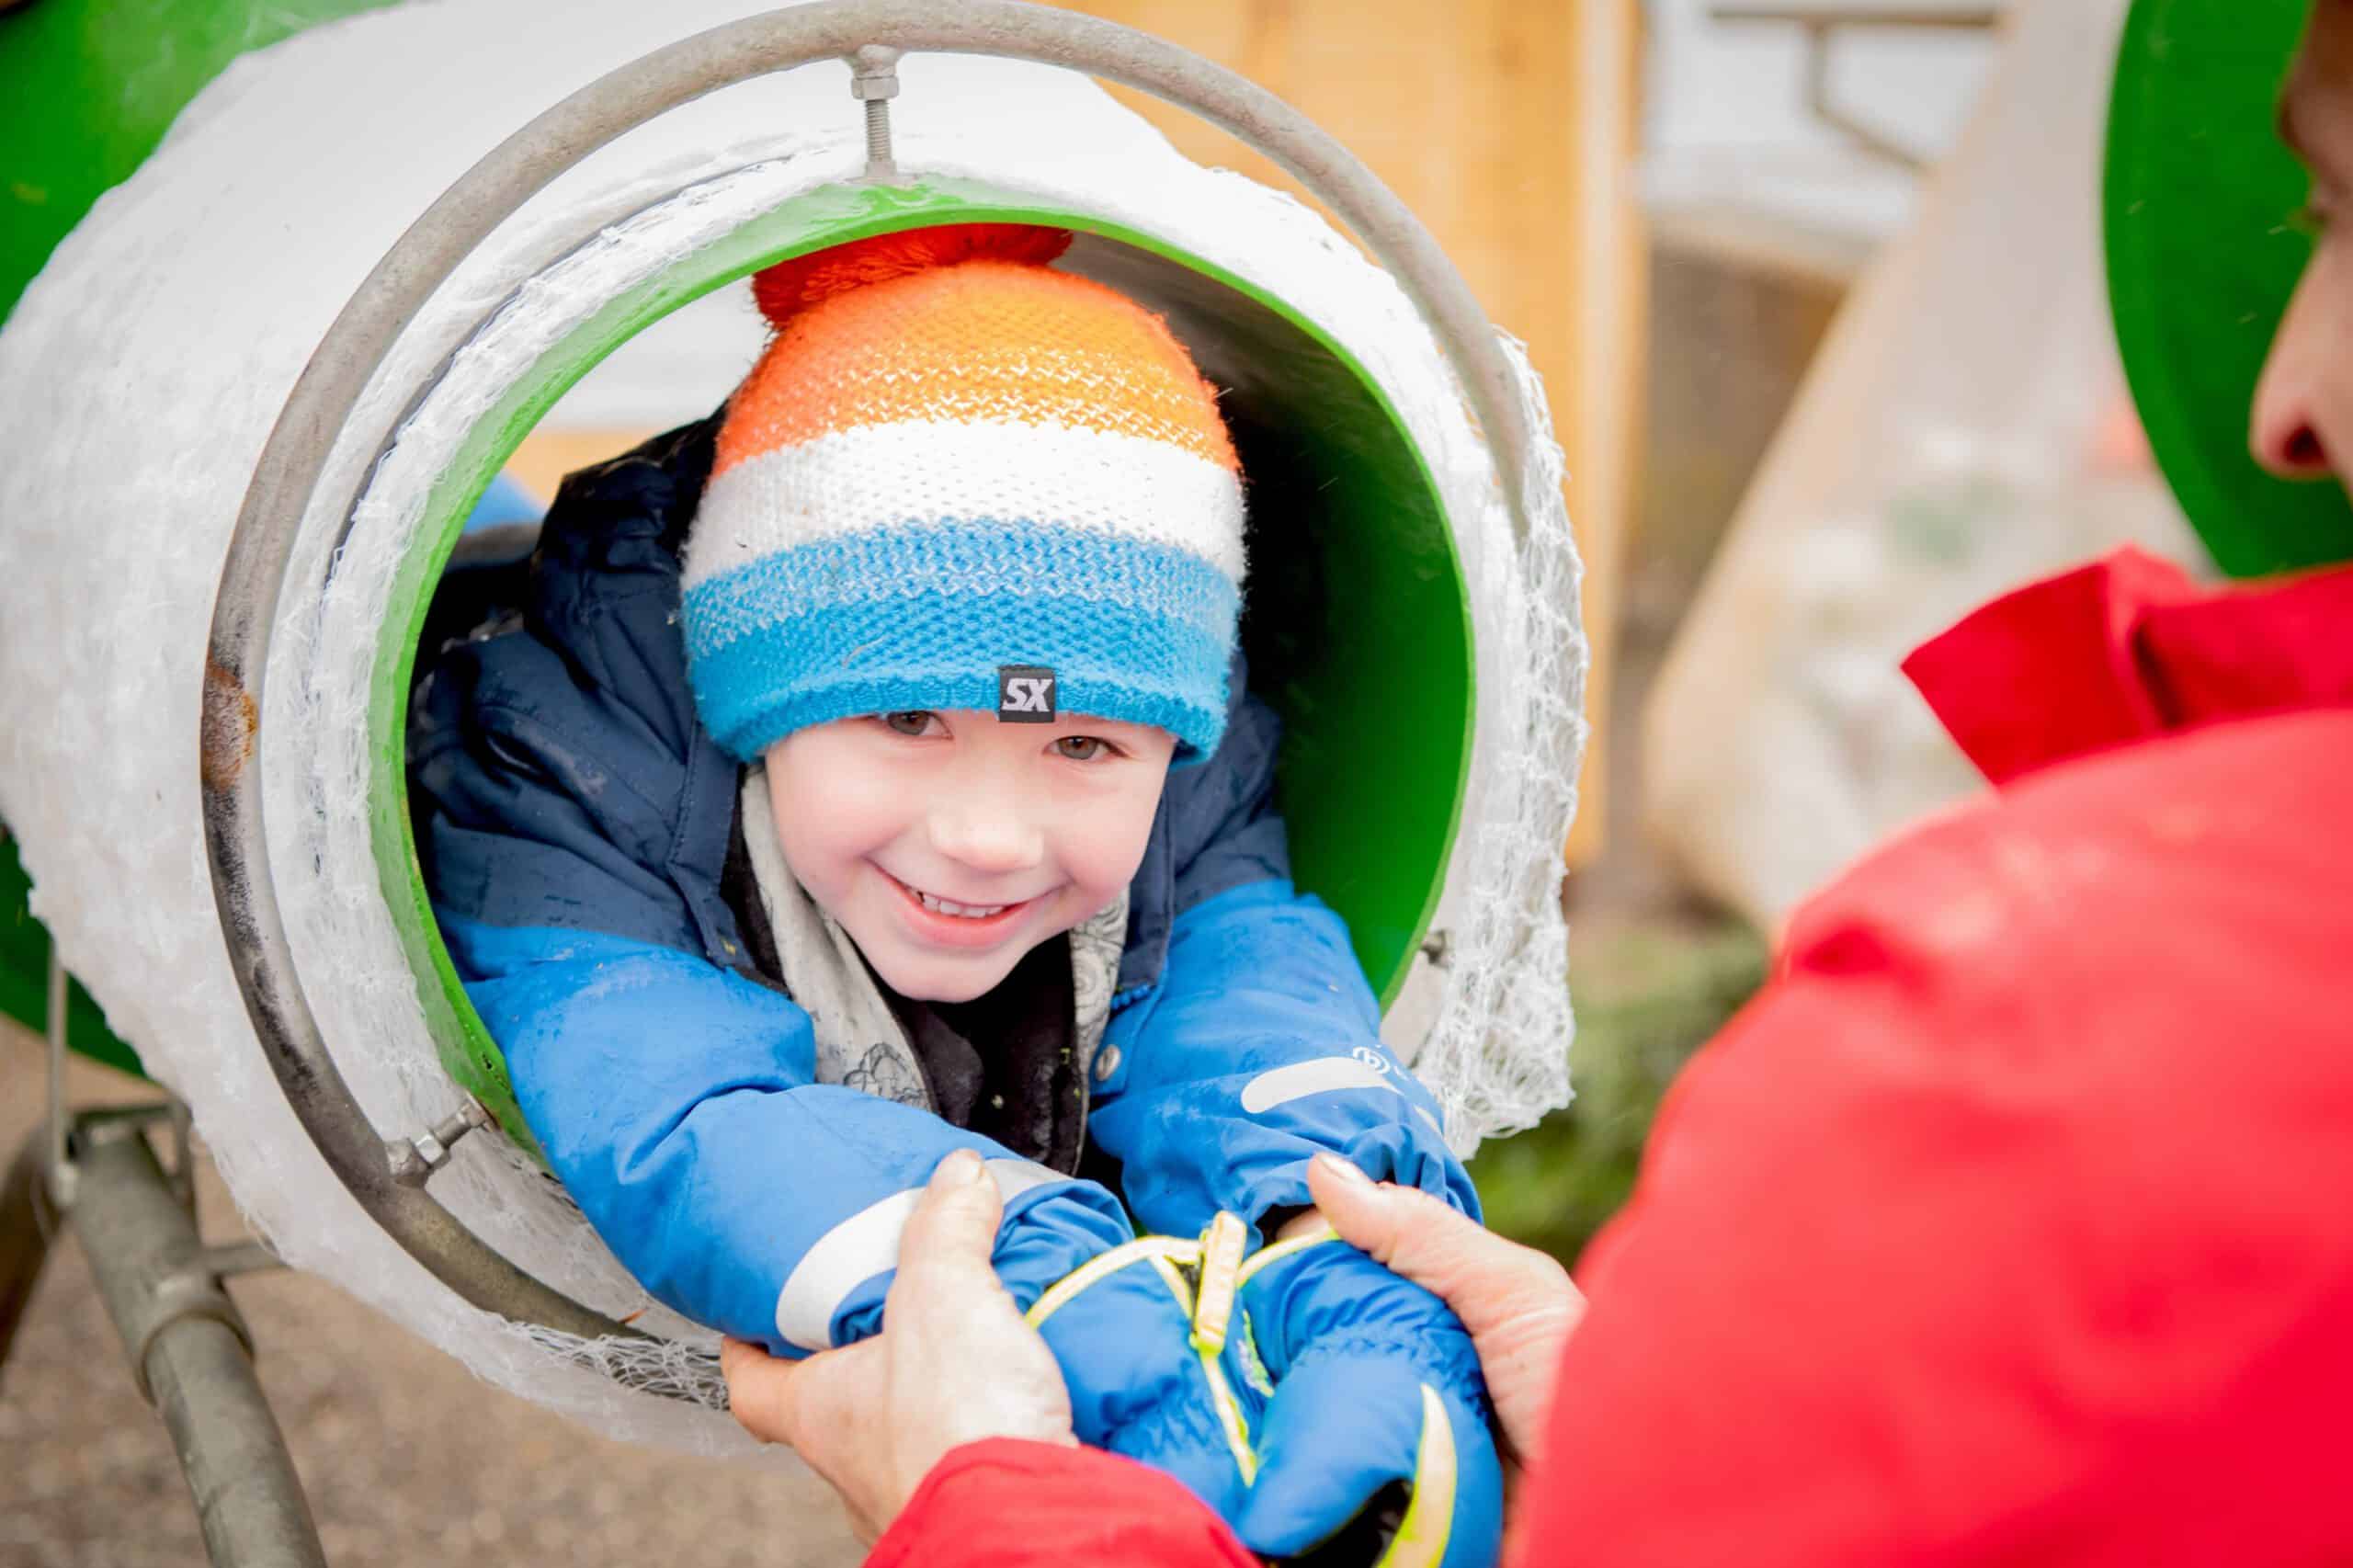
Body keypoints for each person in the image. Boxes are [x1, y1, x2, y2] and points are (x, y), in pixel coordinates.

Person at [724, 1, 2353, 1561]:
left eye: (2340, 218)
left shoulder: (2028, 1028)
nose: (2276, 396)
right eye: (906, 727)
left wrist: (997, 1500)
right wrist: (1620, 1438)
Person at [407, 222, 1504, 1562]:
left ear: (1175, 732)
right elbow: (672, 1101)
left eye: (1083, 745)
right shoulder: (562, 772)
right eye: (908, 719)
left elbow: (1252, 996)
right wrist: (1027, 1275)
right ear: (757, 706)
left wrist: (1330, 1245)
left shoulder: (1198, 772)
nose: (988, 836)